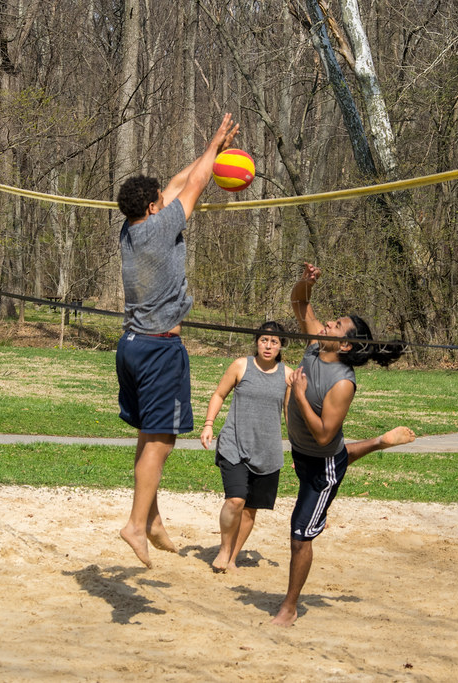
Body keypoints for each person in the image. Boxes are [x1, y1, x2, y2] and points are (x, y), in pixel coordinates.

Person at [115, 113, 239, 568]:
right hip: (158, 349)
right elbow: (196, 183)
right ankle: (135, 523)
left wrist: (214, 152)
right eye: (159, 202)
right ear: (153, 209)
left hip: (131, 345)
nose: (164, 201)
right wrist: (213, 144)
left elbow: (176, 181)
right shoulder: (159, 229)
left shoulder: (130, 228)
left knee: (150, 437)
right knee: (162, 441)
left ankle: (150, 518)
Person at [271, 263, 410, 626]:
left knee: (300, 534)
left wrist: (298, 394)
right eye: (331, 321)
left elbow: (323, 435)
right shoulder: (317, 345)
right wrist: (306, 283)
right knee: (335, 458)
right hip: (303, 455)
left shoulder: (343, 383)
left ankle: (289, 606)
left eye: (336, 325)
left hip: (321, 463)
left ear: (345, 344)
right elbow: (300, 306)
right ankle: (380, 441)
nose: (328, 323)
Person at [200, 321, 293, 573]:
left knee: (251, 510)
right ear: (256, 341)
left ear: (281, 345)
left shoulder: (287, 375)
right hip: (234, 444)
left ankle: (232, 557)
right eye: (264, 340)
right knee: (235, 500)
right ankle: (223, 548)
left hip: (267, 452)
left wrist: (297, 447)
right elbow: (219, 394)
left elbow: (289, 413)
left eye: (274, 342)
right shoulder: (241, 366)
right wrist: (209, 424)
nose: (268, 345)